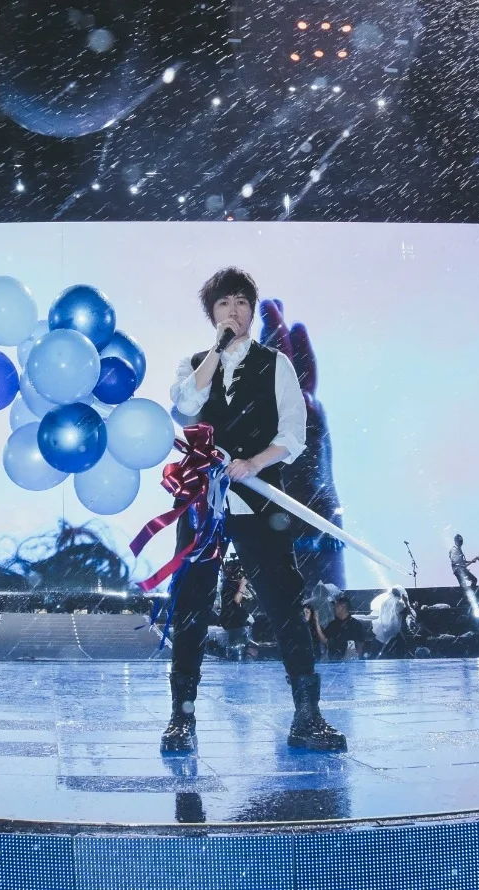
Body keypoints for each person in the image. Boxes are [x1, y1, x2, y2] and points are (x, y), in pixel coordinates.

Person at [162, 267, 345, 753]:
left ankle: (307, 716)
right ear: (212, 313)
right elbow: (185, 405)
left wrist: (254, 463)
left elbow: (293, 433)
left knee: (284, 602)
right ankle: (182, 717)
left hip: (261, 498)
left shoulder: (275, 363)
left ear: (251, 309)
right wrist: (215, 352)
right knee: (191, 604)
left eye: (242, 302)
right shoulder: (194, 363)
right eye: (224, 303)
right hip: (203, 500)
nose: (234, 310)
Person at [309, 593, 374, 659]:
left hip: (350, 661)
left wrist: (354, 658)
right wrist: (316, 622)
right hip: (334, 661)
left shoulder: (356, 625)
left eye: (337, 606)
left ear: (343, 608)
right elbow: (324, 640)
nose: (334, 608)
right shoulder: (332, 625)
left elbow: (360, 645)